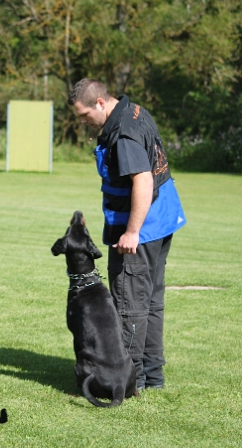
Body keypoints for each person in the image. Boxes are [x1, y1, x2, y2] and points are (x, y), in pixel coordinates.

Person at [68, 79, 186, 392]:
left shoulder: (123, 134)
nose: (82, 122)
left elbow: (143, 180)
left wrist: (131, 232)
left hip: (141, 230)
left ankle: (128, 382)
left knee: (129, 305)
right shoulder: (133, 111)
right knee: (150, 303)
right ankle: (151, 376)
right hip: (162, 218)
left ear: (100, 104)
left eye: (83, 115)